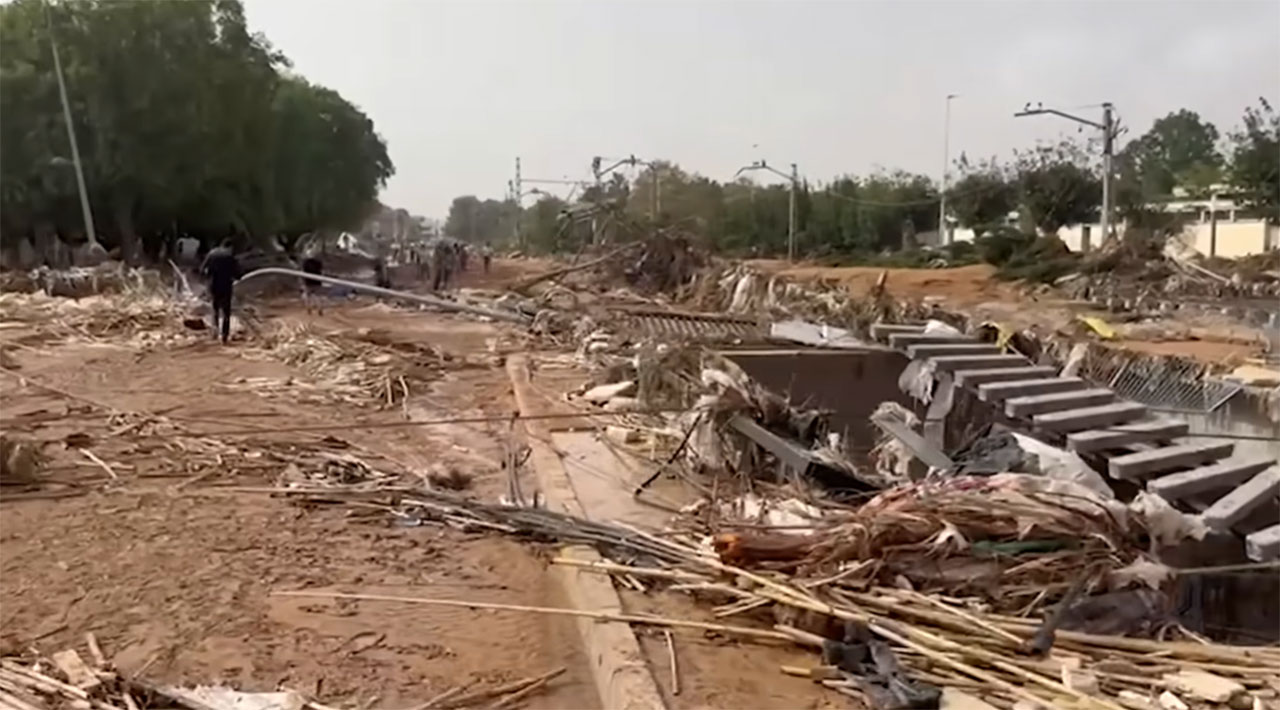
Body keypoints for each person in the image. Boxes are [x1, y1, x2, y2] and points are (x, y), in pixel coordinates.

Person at [200, 238, 240, 344]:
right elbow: (238, 273)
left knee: (215, 309)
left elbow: (202, 269)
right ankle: (224, 336)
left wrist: (208, 278)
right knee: (226, 312)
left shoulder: (212, 254)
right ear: (230, 247)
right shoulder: (230, 256)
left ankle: (215, 332)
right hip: (226, 286)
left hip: (213, 285)